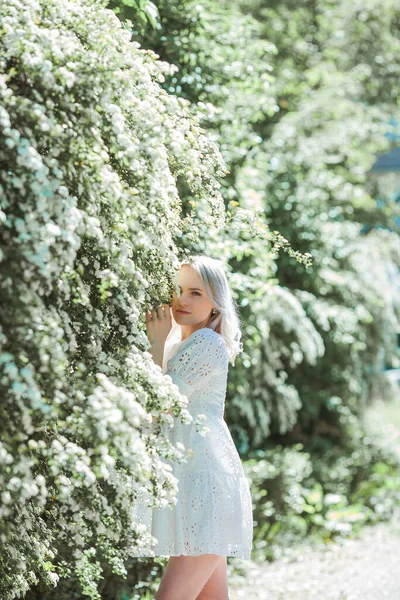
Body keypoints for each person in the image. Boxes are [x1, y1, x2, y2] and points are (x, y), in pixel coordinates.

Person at [139, 255, 253, 600]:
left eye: (195, 293)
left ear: (216, 303)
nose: (182, 300)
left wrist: (155, 343)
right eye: (177, 290)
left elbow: (160, 406)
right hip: (196, 488)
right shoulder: (181, 345)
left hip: (206, 489)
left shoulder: (207, 343)